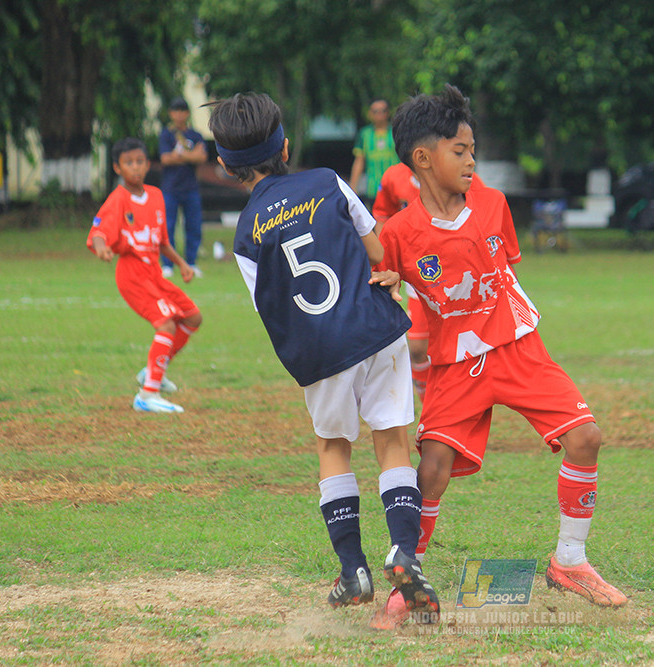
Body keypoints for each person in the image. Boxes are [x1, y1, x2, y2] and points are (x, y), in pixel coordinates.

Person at [374, 85, 628, 629]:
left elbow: (506, 269)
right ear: (423, 159)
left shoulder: (493, 205)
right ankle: (409, 582)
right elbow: (378, 283)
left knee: (586, 437)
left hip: (516, 347)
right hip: (454, 366)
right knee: (433, 470)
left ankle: (571, 560)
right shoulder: (398, 233)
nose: (471, 160)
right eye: (459, 151)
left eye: (472, 150)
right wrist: (387, 284)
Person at [207, 92, 439, 625]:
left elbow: (271, 304)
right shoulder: (329, 182)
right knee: (392, 438)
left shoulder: (245, 234)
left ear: (225, 166)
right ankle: (403, 551)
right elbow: (378, 252)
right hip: (375, 328)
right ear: (286, 146)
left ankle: (352, 568)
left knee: (333, 445)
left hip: (318, 348)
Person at [86, 137, 202, 414]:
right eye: (129, 163)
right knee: (166, 325)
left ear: (148, 165)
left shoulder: (157, 196)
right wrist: (102, 248)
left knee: (192, 317)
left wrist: (182, 264)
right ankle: (147, 395)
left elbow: (161, 242)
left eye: (140, 162)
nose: (135, 168)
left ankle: (151, 372)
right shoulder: (118, 200)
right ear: (117, 168)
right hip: (132, 275)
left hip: (154, 273)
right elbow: (98, 232)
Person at [372, 163, 485, 400]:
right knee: (417, 349)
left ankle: (468, 399)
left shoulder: (458, 177)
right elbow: (383, 214)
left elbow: (483, 214)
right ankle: (429, 401)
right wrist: (386, 260)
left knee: (463, 346)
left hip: (456, 276)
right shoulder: (394, 177)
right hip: (421, 272)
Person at [159, 97, 207, 278]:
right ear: (171, 114)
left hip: (191, 188)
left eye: (182, 111)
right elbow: (165, 159)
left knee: (193, 226)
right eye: (176, 111)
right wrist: (190, 155)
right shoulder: (166, 135)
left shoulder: (195, 135)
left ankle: (191, 263)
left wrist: (180, 155)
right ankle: (168, 265)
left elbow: (201, 157)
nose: (179, 115)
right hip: (170, 189)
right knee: (168, 226)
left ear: (187, 114)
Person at [349, 98, 400, 205]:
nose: (380, 114)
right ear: (370, 114)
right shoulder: (365, 134)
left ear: (388, 112)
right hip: (373, 189)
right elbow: (359, 161)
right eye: (376, 111)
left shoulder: (396, 132)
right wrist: (353, 188)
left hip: (396, 188)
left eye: (383, 110)